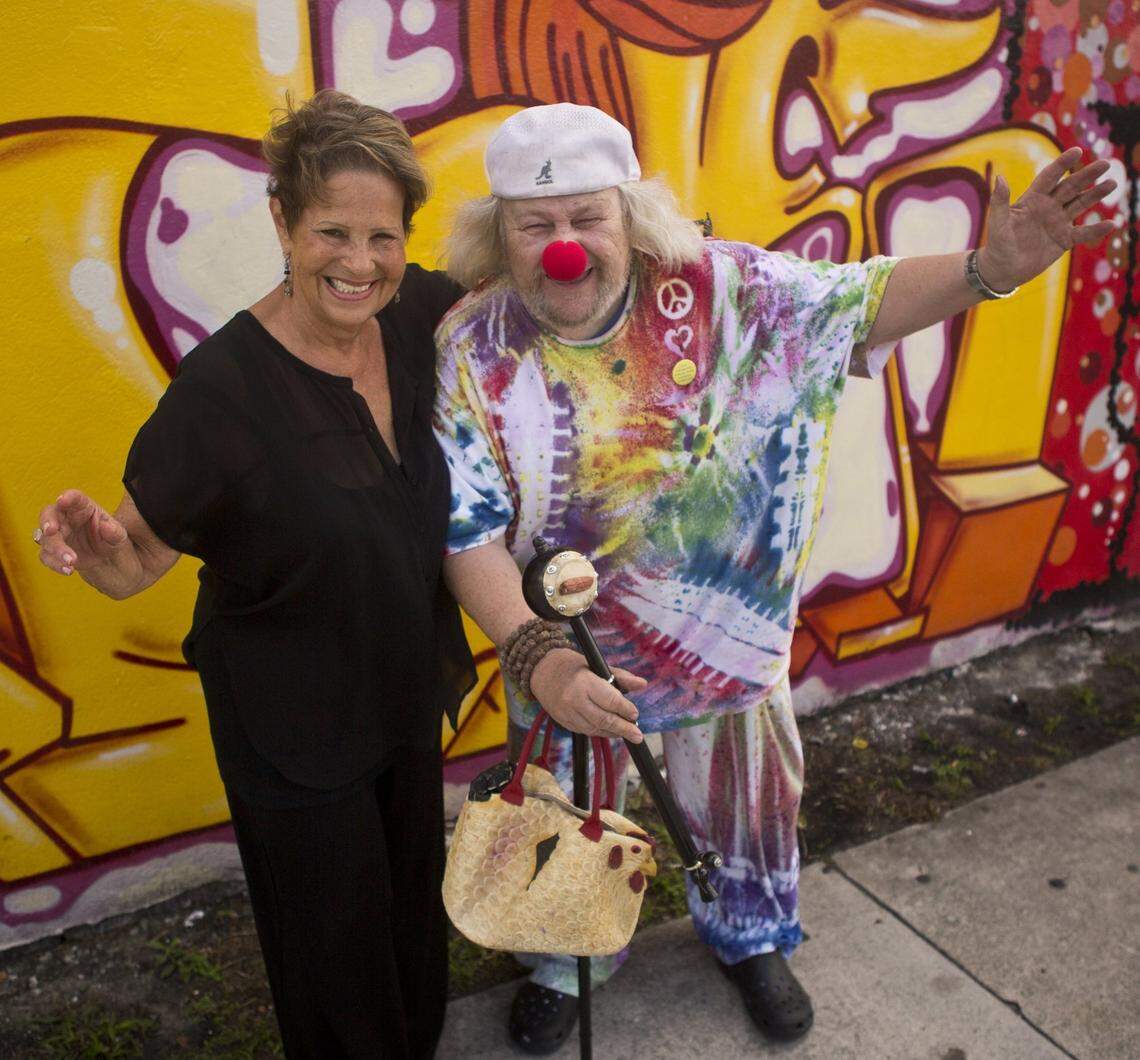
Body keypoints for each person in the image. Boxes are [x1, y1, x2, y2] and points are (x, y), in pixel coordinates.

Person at [432, 103, 1115, 1052]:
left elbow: (862, 299)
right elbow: (465, 531)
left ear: (628, 214)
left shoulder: (726, 290)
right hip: (568, 650)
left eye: (586, 218)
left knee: (751, 808)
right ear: (498, 235)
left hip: (727, 638)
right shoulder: (473, 346)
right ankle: (564, 960)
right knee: (562, 809)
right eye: (534, 225)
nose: (564, 248)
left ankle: (749, 936)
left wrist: (987, 271)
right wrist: (540, 658)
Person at [33, 89, 474, 1059]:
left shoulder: (419, 318)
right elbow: (135, 561)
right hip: (290, 721)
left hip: (399, 683)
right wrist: (98, 545)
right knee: (333, 956)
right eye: (331, 233)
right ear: (280, 218)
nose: (359, 263)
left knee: (409, 912)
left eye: (382, 237)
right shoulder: (221, 394)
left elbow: (529, 287)